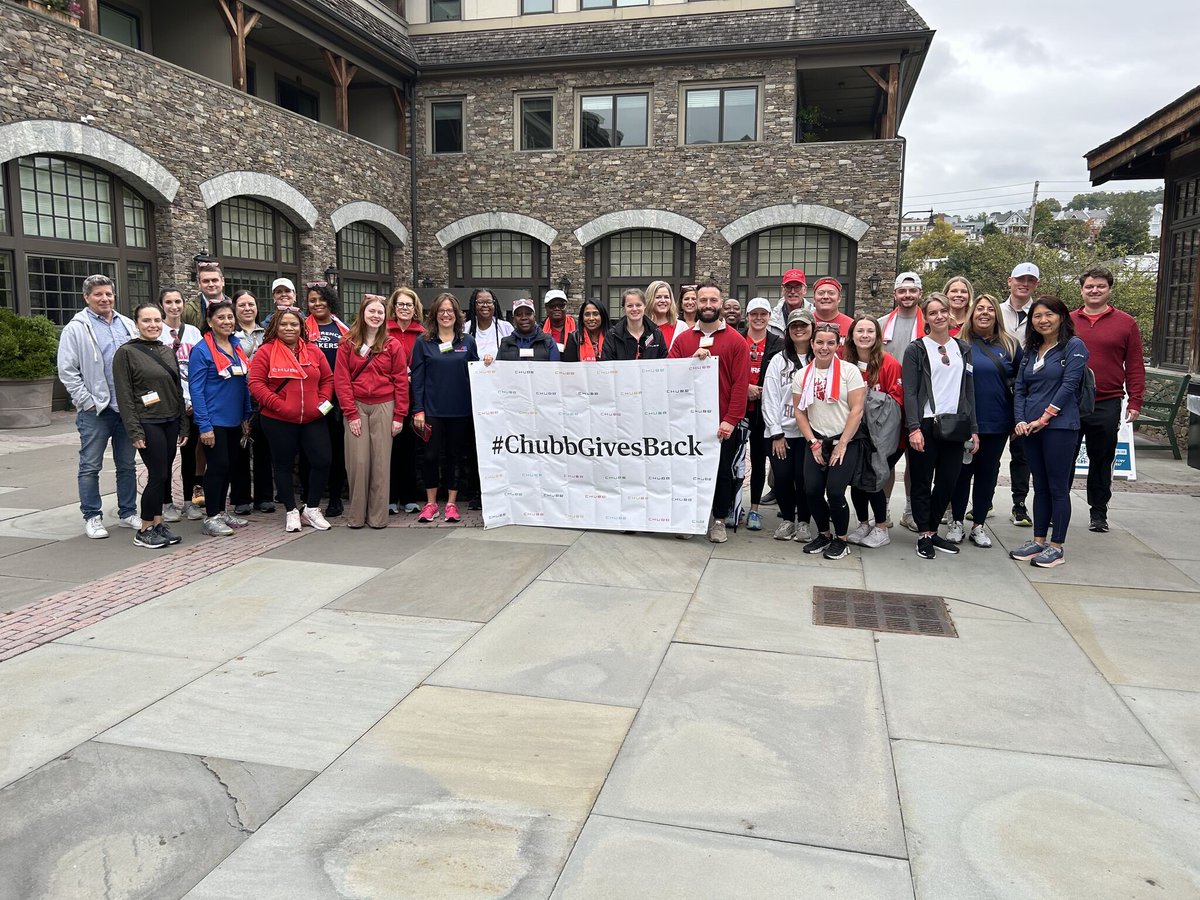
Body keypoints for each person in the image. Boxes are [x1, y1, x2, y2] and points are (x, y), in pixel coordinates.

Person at [1009, 296, 1090, 569]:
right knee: (1040, 486)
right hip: (1030, 429)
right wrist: (1020, 420)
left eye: (1049, 314)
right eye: (1037, 316)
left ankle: (1056, 546)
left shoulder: (1073, 346)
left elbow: (1069, 385)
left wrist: (1045, 418)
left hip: (1060, 427)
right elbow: (1021, 388)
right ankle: (1039, 540)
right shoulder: (1032, 350)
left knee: (1057, 487)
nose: (1043, 320)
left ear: (1061, 316)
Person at [58, 274, 140, 539]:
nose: (105, 299)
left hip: (125, 409)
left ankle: (128, 512)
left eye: (108, 294)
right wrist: (87, 401)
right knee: (90, 466)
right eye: (98, 294)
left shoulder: (127, 325)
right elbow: (67, 370)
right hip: (96, 411)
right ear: (87, 298)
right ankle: (92, 516)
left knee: (127, 465)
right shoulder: (76, 329)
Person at [669, 279, 749, 543]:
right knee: (688, 471)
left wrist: (731, 420)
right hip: (688, 422)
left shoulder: (736, 341)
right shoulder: (683, 340)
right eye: (702, 300)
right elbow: (669, 374)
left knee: (722, 472)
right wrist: (689, 362)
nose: (707, 305)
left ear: (721, 304)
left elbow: (740, 384)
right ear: (695, 303)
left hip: (720, 424)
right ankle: (691, 518)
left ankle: (718, 520)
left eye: (713, 300)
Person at [902, 293, 978, 560]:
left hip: (956, 424)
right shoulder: (916, 349)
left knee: (948, 480)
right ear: (926, 317)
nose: (939, 316)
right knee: (922, 481)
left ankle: (933, 529)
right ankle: (923, 533)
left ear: (950, 313)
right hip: (926, 423)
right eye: (933, 313)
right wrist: (913, 428)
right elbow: (910, 392)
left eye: (943, 311)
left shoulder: (963, 348)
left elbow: (969, 390)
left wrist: (974, 428)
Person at [1070, 266, 1145, 533]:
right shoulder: (1068, 321)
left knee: (1101, 459)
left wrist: (1135, 400)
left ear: (1109, 289)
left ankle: (1098, 513)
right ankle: (1057, 508)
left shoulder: (1126, 323)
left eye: (1100, 286)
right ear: (1081, 290)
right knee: (1064, 457)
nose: (1095, 290)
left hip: (1107, 401)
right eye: (1089, 286)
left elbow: (1134, 364)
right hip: (1071, 402)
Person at [248, 308, 334, 533]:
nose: (289, 328)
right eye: (284, 324)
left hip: (313, 417)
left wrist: (322, 404)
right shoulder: (265, 352)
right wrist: (280, 405)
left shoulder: (313, 351)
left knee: (322, 460)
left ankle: (311, 509)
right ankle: (291, 511)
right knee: (283, 465)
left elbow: (327, 379)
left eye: (294, 324)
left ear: (301, 327)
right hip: (278, 419)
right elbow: (256, 384)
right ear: (275, 327)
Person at [948, 294, 1020, 548]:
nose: (985, 313)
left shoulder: (1010, 345)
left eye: (990, 309)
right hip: (964, 422)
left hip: (996, 422)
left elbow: (1020, 385)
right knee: (961, 473)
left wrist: (1017, 419)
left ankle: (978, 524)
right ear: (972, 312)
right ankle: (956, 521)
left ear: (996, 314)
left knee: (987, 474)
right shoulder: (958, 343)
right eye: (980, 308)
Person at [113, 303, 187, 549]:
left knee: (164, 475)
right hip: (148, 421)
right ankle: (144, 529)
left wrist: (183, 424)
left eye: (156, 320)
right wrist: (134, 431)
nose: (153, 325)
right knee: (157, 475)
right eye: (146, 320)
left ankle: (158, 524)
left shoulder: (166, 350)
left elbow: (177, 390)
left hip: (170, 420)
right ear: (136, 324)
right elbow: (124, 395)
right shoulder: (126, 353)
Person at [793, 323, 866, 560]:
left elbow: (857, 410)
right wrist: (812, 442)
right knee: (812, 491)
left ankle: (841, 539)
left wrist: (842, 443)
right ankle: (824, 534)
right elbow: (799, 411)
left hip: (845, 441)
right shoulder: (802, 375)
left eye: (830, 343)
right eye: (820, 342)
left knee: (834, 492)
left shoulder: (849, 371)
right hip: (816, 439)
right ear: (812, 344)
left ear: (838, 345)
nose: (824, 347)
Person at [335, 295, 409, 529]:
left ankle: (378, 517)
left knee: (380, 463)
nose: (376, 316)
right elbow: (341, 380)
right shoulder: (348, 343)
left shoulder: (392, 344)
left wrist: (399, 415)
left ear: (385, 316)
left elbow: (400, 381)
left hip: (384, 405)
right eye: (371, 311)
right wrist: (350, 413)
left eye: (380, 312)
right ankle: (357, 516)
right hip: (356, 405)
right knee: (358, 462)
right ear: (363, 313)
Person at [410, 293, 479, 523]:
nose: (446, 314)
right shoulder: (423, 342)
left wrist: (487, 363)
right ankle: (431, 504)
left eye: (450, 310)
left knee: (455, 457)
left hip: (460, 410)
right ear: (435, 314)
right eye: (441, 310)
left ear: (457, 315)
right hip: (432, 411)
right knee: (430, 457)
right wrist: (418, 409)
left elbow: (476, 373)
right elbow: (417, 379)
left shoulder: (468, 341)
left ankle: (451, 504)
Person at [188, 301, 254, 537]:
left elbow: (243, 383)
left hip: (235, 419)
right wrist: (204, 426)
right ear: (209, 321)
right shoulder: (201, 350)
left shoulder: (236, 346)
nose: (227, 322)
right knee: (217, 467)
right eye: (221, 318)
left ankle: (222, 512)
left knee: (229, 466)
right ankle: (211, 517)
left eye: (230, 317)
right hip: (214, 420)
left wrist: (246, 415)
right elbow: (196, 390)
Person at [842, 314, 903, 549]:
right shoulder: (845, 361)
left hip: (883, 437)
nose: (865, 335)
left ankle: (880, 527)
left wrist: (868, 398)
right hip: (856, 434)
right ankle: (863, 523)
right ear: (852, 335)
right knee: (856, 480)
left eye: (870, 331)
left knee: (873, 478)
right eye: (860, 331)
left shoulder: (889, 363)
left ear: (878, 336)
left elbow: (896, 403)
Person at [762, 308, 813, 541]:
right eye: (794, 326)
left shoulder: (820, 358)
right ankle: (787, 520)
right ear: (788, 331)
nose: (799, 329)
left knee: (804, 479)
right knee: (782, 477)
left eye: (804, 325)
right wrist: (776, 433)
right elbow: (770, 397)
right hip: (782, 431)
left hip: (809, 432)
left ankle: (804, 521)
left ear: (812, 328)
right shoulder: (778, 360)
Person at [879, 272, 925, 532]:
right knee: (886, 461)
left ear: (920, 293)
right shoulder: (881, 324)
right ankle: (883, 510)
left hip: (920, 401)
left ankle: (910, 511)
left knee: (916, 462)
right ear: (895, 294)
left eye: (912, 290)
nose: (907, 295)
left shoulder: (929, 324)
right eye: (902, 291)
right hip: (890, 403)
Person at [157, 286, 203, 522]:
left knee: (189, 455)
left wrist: (195, 399)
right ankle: (166, 503)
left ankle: (188, 502)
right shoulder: (158, 331)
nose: (174, 306)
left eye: (178, 301)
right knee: (166, 455)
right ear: (161, 305)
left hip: (190, 402)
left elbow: (201, 365)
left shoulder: (193, 332)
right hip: (167, 403)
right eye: (169, 302)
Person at [1000, 261, 1040, 527]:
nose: (1024, 284)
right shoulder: (996, 311)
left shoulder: (1040, 313)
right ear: (1010, 281)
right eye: (1020, 279)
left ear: (1036, 284)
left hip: (1027, 390)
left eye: (1030, 280)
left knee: (1021, 451)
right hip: (997, 386)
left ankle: (1019, 504)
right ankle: (984, 500)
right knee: (988, 451)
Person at [304, 283, 349, 518]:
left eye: (322, 299)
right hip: (309, 396)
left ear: (331, 301)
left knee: (336, 449)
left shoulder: (343, 328)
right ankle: (308, 498)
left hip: (336, 398)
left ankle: (334, 499)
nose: (317, 304)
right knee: (308, 450)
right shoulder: (301, 327)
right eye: (312, 300)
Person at [738, 297, 784, 531]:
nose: (758, 318)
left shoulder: (778, 343)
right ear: (747, 316)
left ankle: (754, 509)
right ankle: (733, 505)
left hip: (763, 414)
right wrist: (744, 387)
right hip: (738, 410)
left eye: (763, 314)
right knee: (733, 462)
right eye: (754, 314)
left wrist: (765, 390)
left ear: (769, 317)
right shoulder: (738, 339)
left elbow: (782, 376)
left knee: (758, 461)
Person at [230, 289, 274, 515]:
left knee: (264, 448)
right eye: (242, 305)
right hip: (238, 396)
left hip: (262, 397)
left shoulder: (267, 334)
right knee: (240, 448)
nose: (247, 309)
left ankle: (264, 497)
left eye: (251, 304)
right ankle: (241, 498)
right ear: (234, 308)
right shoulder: (229, 335)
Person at [386, 287, 424, 515]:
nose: (404, 308)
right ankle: (390, 497)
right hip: (387, 395)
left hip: (412, 395)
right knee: (389, 448)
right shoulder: (383, 330)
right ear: (394, 306)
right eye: (400, 304)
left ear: (415, 308)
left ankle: (408, 497)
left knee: (410, 448)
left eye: (408, 305)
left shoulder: (422, 334)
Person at [601, 288, 668, 360]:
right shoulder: (613, 335)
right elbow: (606, 364)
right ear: (624, 308)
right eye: (630, 306)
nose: (634, 309)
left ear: (644, 306)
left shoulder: (656, 334)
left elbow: (665, 363)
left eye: (638, 305)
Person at [493, 297, 560, 361]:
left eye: (528, 314)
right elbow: (499, 367)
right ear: (513, 319)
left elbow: (555, 367)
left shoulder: (548, 342)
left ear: (534, 317)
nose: (524, 318)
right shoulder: (505, 343)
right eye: (518, 315)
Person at [464, 287, 514, 360]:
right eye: (480, 302)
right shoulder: (466, 328)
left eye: (489, 302)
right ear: (474, 305)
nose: (485, 305)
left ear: (494, 304)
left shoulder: (505, 327)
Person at [183, 260, 228, 330]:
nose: (211, 284)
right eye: (206, 281)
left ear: (222, 281)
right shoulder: (187, 310)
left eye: (214, 280)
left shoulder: (234, 306)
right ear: (199, 284)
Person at [768, 269, 811, 339]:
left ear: (805, 290)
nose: (792, 291)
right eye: (788, 287)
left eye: (797, 287)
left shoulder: (813, 315)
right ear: (782, 290)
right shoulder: (771, 319)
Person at [541, 289, 575, 353]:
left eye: (561, 305)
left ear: (566, 307)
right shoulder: (539, 331)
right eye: (552, 306)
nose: (557, 309)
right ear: (546, 308)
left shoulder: (577, 329)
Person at [647, 280, 678, 347]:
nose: (663, 301)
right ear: (650, 300)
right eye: (658, 297)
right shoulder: (642, 327)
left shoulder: (681, 327)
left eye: (666, 297)